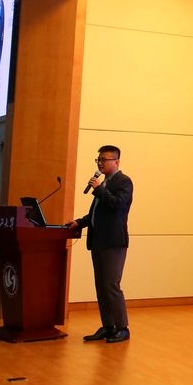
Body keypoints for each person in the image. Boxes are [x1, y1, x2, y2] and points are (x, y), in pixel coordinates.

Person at [66, 145, 134, 343]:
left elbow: (117, 205)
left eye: (104, 159)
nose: (100, 163)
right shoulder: (104, 183)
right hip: (98, 241)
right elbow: (96, 213)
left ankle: (122, 328)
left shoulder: (124, 182)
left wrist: (99, 189)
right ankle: (108, 326)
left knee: (111, 285)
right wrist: (79, 222)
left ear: (116, 162)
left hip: (113, 242)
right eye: (99, 160)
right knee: (101, 286)